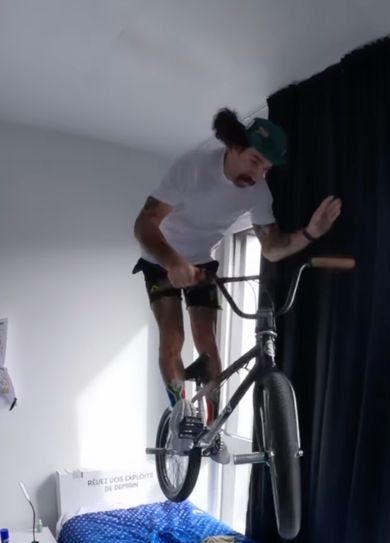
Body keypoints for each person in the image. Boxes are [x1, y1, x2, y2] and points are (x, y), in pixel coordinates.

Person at [132, 107, 342, 458]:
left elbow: (273, 249)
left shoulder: (258, 193)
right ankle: (180, 416)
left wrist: (310, 232)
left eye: (266, 168)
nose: (258, 174)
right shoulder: (193, 167)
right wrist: (172, 261)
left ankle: (211, 429)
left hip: (202, 263)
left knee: (208, 342)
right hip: (161, 258)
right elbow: (144, 224)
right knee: (174, 337)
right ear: (233, 147)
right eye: (255, 161)